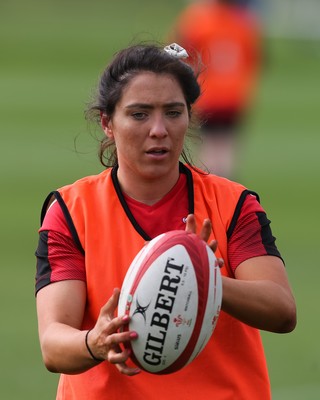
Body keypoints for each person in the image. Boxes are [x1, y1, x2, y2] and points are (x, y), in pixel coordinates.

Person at [35, 42, 296, 400]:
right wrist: (94, 343)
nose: (159, 129)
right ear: (108, 123)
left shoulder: (232, 203)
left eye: (173, 112)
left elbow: (282, 310)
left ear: (189, 116)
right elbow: (53, 344)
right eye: (140, 114)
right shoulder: (71, 210)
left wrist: (206, 278)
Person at [169, 0, 262, 177]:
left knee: (209, 147)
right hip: (234, 95)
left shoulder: (199, 20)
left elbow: (177, 50)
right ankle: (226, 191)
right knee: (226, 146)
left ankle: (208, 191)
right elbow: (252, 59)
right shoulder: (243, 22)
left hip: (207, 94)